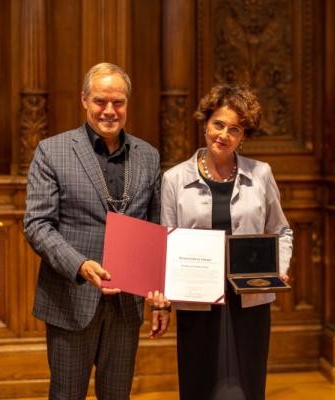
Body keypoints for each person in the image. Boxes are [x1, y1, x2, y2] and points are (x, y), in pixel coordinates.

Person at [24, 62, 171, 400]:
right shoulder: (53, 151)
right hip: (71, 299)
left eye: (118, 102)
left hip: (126, 305)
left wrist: (161, 297)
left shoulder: (148, 156)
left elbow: (156, 231)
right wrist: (80, 265)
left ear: (127, 104)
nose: (109, 110)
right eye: (100, 101)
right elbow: (36, 224)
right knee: (66, 395)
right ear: (84, 101)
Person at [161, 83, 293, 400]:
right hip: (197, 299)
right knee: (199, 384)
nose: (224, 135)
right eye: (218, 124)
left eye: (234, 129)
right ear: (205, 123)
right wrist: (163, 301)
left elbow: (282, 231)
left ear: (243, 136)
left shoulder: (262, 174)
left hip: (250, 299)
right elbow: (165, 243)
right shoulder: (174, 179)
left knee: (247, 386)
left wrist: (280, 268)